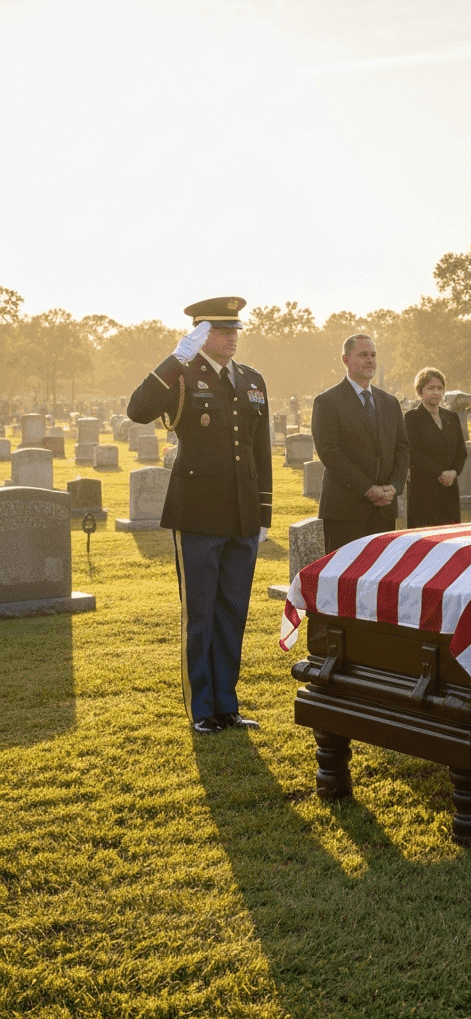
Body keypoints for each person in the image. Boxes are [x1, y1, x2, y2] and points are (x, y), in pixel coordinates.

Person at [127, 296, 272, 735]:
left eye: (235, 330)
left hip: (243, 512)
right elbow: (138, 410)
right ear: (200, 333)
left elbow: (259, 448)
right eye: (222, 330)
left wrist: (264, 511)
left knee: (233, 609)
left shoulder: (251, 378)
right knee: (202, 614)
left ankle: (227, 703)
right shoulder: (183, 374)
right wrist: (176, 357)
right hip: (198, 512)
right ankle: (203, 709)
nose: (232, 337)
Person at [311, 334, 410, 554]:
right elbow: (330, 453)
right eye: (363, 355)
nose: (370, 360)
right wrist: (367, 489)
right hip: (345, 511)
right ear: (345, 360)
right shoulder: (327, 402)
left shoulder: (390, 402)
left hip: (384, 509)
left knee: (380, 581)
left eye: (373, 355)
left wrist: (394, 486)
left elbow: (402, 448)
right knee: (345, 581)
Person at [404, 367, 468, 528]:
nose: (436, 392)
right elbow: (414, 453)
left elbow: (461, 451)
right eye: (430, 388)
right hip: (424, 489)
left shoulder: (452, 417)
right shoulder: (412, 418)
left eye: (440, 388)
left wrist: (454, 472)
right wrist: (440, 474)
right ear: (420, 391)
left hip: (449, 488)